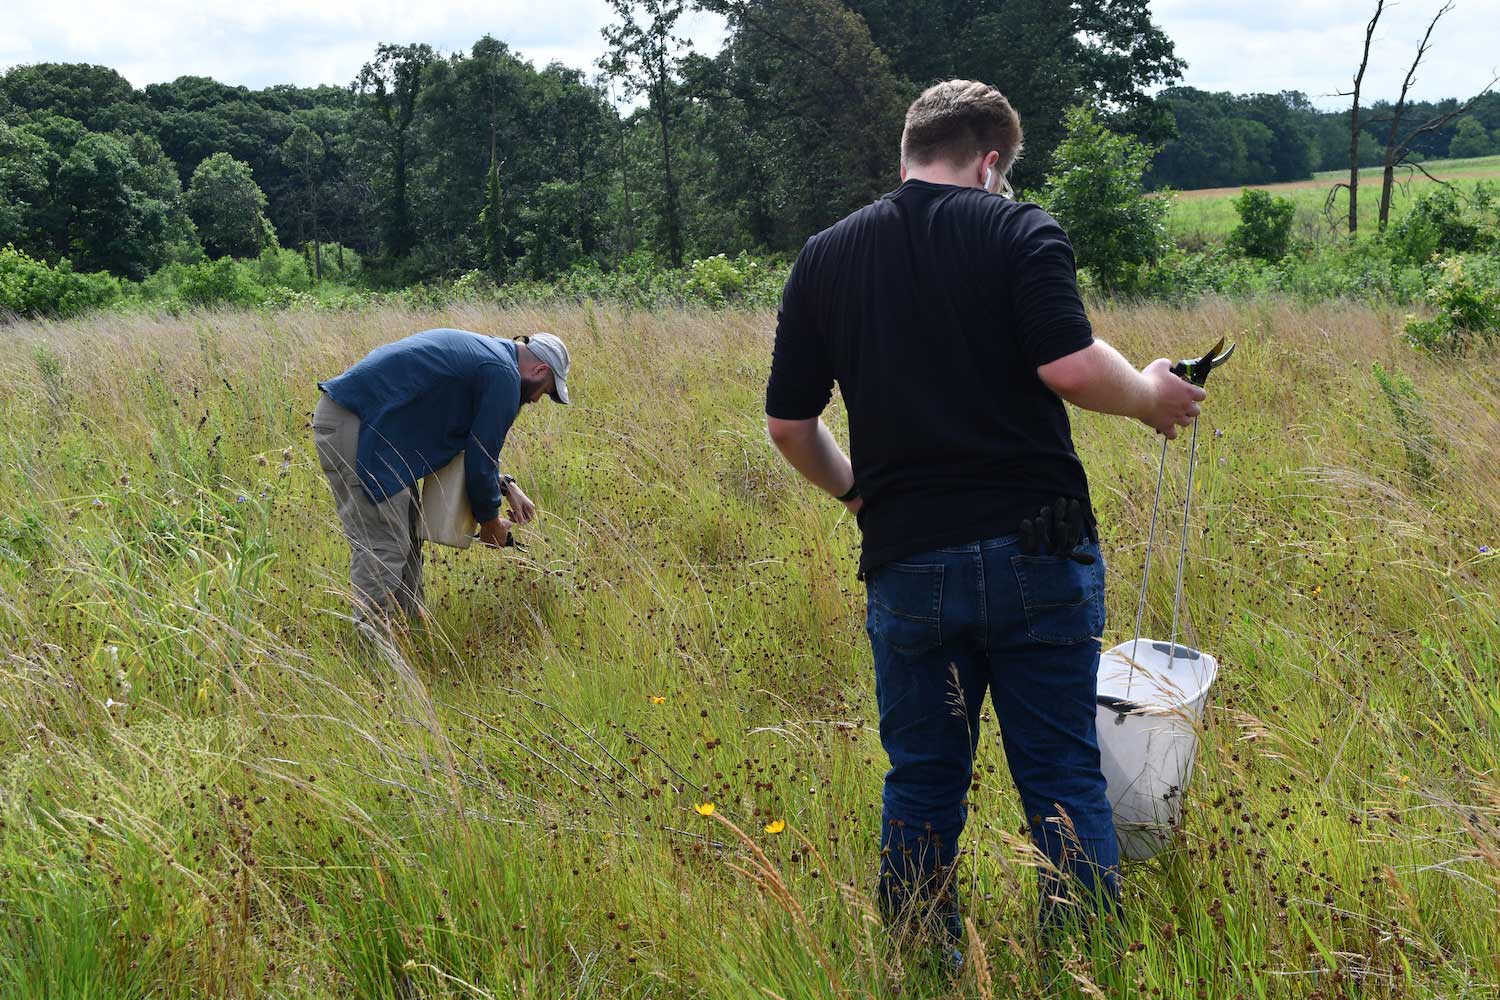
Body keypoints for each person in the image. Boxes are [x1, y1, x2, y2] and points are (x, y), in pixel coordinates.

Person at [763, 80, 1206, 947]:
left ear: (909, 152)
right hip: (1040, 549)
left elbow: (788, 424)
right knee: (1060, 771)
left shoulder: (825, 255)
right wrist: (1152, 395)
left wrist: (860, 494)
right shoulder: (1018, 228)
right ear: (993, 161)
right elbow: (1072, 368)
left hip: (908, 559)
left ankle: (921, 957)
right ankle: (1082, 957)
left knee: (923, 778)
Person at [312, 328, 571, 632]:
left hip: (379, 434)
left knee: (408, 542)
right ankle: (373, 658)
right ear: (540, 370)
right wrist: (491, 525)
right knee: (384, 545)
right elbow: (480, 458)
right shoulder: (503, 375)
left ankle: (411, 641)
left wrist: (506, 485)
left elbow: (468, 448)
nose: (539, 399)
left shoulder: (493, 361)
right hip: (358, 426)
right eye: (548, 390)